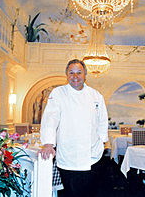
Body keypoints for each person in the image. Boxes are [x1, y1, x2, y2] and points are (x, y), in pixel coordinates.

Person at [39, 59, 108, 197]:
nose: (75, 76)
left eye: (79, 73)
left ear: (85, 75)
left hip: (92, 156)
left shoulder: (96, 95)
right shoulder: (58, 93)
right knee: (70, 193)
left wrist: (101, 141)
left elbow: (102, 121)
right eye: (71, 73)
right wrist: (48, 143)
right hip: (68, 156)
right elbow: (50, 119)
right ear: (66, 75)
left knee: (90, 192)